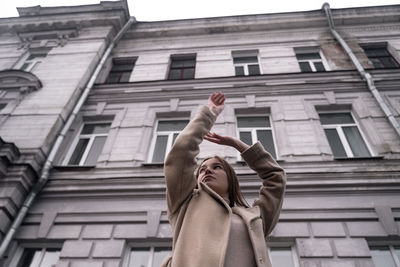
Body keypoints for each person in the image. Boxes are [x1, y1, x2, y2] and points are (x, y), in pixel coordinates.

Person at [161, 92, 286, 267]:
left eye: (216, 167)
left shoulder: (256, 216)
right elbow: (180, 155)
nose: (207, 171)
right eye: (202, 170)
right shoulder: (185, 203)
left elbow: (276, 178)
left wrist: (238, 145)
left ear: (231, 178)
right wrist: (209, 114)